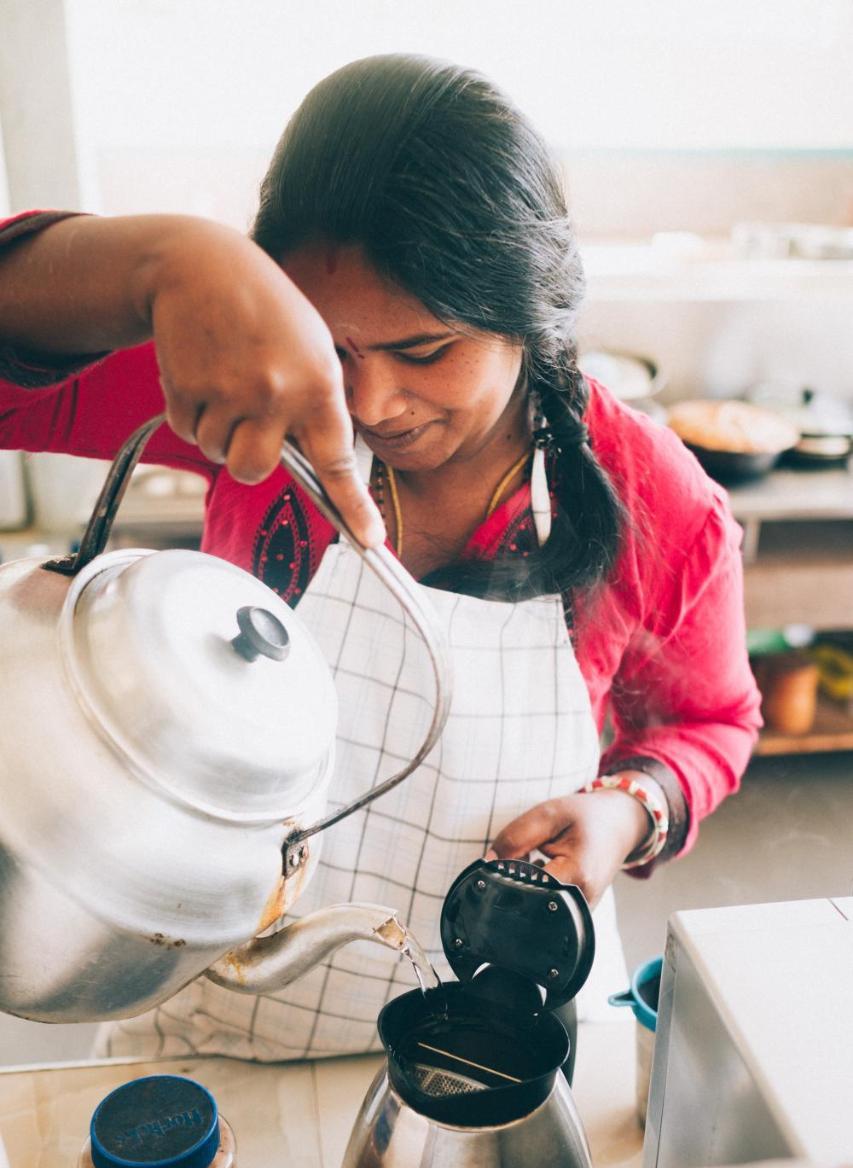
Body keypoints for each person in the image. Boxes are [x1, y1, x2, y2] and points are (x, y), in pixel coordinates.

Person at [0, 54, 761, 1060]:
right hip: (212, 1026)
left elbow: (712, 721)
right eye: (330, 341)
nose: (367, 403)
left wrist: (632, 806)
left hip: (484, 1054)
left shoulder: (655, 499)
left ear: (528, 315)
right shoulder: (264, 396)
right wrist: (163, 262)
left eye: (424, 350)